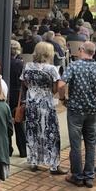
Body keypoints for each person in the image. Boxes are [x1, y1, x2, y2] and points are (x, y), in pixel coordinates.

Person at [58, 42, 96, 188]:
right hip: (92, 110)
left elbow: (61, 85)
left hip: (75, 110)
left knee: (76, 144)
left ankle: (77, 176)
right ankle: (89, 176)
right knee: (91, 143)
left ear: (81, 50)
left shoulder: (74, 65)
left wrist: (62, 98)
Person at [21, 42, 66, 174]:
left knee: (32, 131)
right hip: (46, 102)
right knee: (50, 132)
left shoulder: (27, 66)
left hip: (31, 101)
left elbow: (24, 82)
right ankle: (53, 164)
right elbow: (56, 87)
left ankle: (33, 161)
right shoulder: (51, 69)